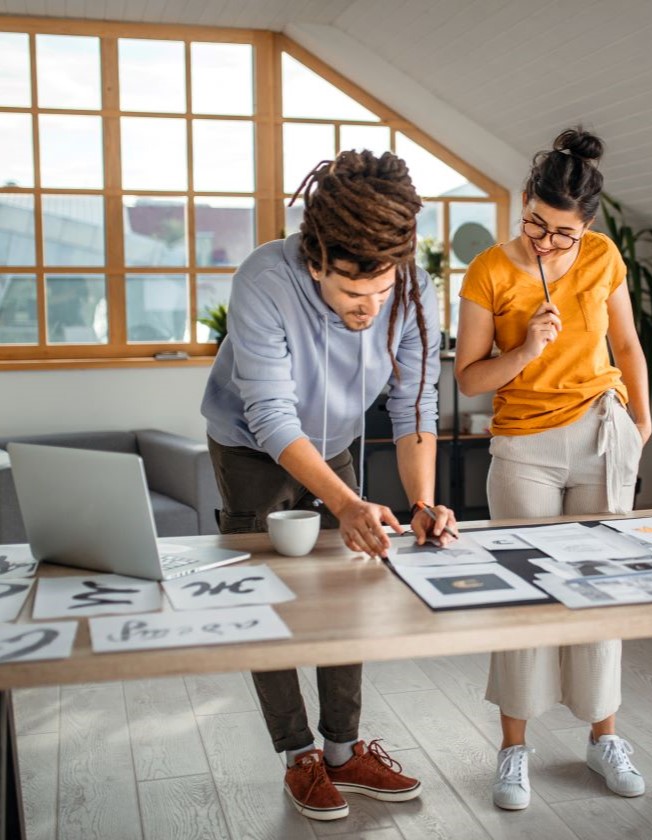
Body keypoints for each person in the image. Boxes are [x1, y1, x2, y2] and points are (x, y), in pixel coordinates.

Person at [201, 149, 458, 822]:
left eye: (381, 292)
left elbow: (414, 405)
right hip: (250, 446)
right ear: (316, 261)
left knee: (353, 583)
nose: (369, 308)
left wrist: (423, 503)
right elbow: (270, 413)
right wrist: (344, 502)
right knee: (263, 598)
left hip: (337, 443)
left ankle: (343, 750)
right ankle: (299, 756)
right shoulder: (265, 277)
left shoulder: (411, 289)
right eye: (351, 294)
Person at [454, 127, 651, 810]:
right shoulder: (490, 270)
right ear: (525, 206)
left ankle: (604, 739)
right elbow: (471, 380)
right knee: (525, 595)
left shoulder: (602, 256)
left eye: (563, 233)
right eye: (537, 225)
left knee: (603, 590)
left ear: (586, 227)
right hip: (523, 448)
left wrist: (642, 424)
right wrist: (526, 350)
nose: (547, 243)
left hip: (601, 432)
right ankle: (513, 750)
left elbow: (626, 343)